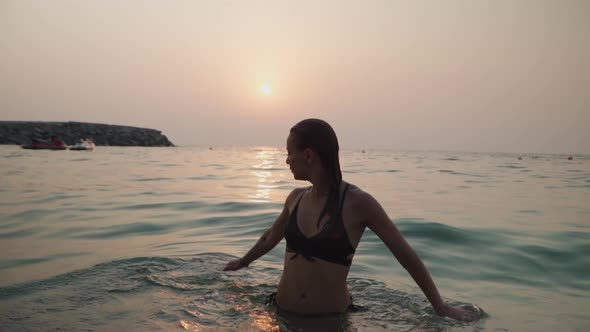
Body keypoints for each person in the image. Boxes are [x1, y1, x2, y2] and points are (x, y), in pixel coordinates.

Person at [223, 119, 479, 321]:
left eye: (290, 152)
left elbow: (404, 253)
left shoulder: (358, 203)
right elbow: (271, 236)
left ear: (309, 155)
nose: (287, 160)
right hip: (281, 315)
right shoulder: (295, 198)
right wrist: (242, 262)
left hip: (330, 322)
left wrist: (440, 307)